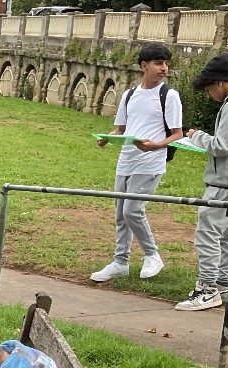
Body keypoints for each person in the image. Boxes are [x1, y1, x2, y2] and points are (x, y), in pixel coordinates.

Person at [92, 44, 183, 283]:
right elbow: (122, 128)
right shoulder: (130, 94)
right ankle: (120, 262)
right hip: (126, 160)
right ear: (144, 66)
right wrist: (107, 138)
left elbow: (177, 134)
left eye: (166, 64)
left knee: (133, 210)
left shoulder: (169, 95)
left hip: (150, 161)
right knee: (121, 214)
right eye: (158, 63)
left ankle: (153, 255)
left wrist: (155, 146)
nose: (164, 68)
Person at [175, 52, 228, 311]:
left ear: (218, 83)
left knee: (208, 235)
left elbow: (222, 147)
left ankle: (207, 289)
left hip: (225, 184)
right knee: (227, 236)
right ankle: (222, 282)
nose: (208, 95)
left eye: (207, 90)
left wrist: (197, 136)